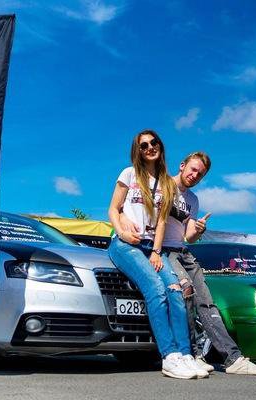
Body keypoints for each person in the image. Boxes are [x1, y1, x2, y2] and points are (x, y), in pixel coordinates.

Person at [120, 151, 256, 376]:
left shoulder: (193, 199)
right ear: (182, 166)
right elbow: (135, 208)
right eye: (193, 169)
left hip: (183, 251)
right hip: (164, 251)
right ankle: (192, 354)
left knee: (207, 303)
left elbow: (188, 236)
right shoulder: (161, 185)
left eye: (200, 174)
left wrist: (198, 229)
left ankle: (233, 359)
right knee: (186, 293)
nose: (195, 175)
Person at [108, 130, 208, 379]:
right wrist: (122, 231)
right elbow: (113, 208)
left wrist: (155, 251)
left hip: (152, 247)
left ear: (160, 146)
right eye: (143, 145)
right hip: (126, 245)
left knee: (175, 290)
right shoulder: (129, 173)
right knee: (156, 289)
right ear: (138, 151)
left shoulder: (165, 183)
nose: (149, 147)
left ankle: (185, 354)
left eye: (153, 143)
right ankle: (169, 356)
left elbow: (162, 222)